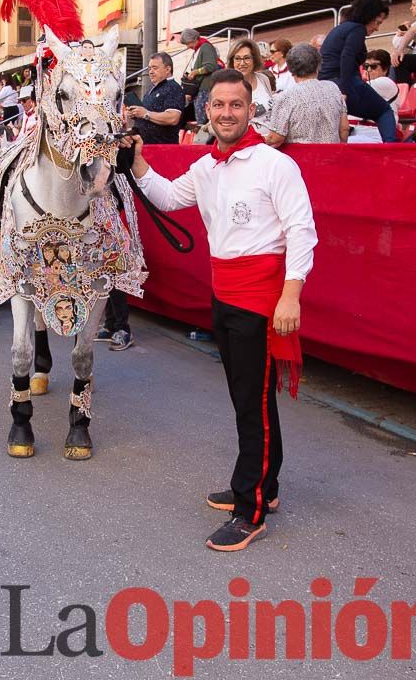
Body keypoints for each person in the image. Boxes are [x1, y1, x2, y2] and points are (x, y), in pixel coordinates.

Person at [130, 68, 317, 552]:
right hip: (224, 294)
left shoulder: (275, 165)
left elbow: (302, 231)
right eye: (218, 105)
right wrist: (138, 164)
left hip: (261, 300)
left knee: (252, 405)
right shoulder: (206, 167)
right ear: (206, 110)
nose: (227, 113)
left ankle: (249, 507)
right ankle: (264, 487)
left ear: (251, 110)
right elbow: (169, 199)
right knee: (248, 399)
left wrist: (291, 295)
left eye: (236, 105)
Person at [320, 0, 396, 142]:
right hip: (344, 83)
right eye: (378, 22)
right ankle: (390, 149)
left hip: (326, 85)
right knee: (384, 111)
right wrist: (344, 90)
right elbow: (347, 57)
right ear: (369, 16)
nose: (377, 28)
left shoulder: (339, 29)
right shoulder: (357, 30)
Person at [266, 44, 348, 146]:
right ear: (318, 65)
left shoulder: (286, 97)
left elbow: (275, 139)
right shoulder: (333, 88)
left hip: (301, 159)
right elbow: (344, 129)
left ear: (291, 69)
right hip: (332, 155)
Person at [126, 52, 184, 145]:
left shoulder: (173, 88)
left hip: (162, 149)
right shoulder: (151, 89)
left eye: (155, 68)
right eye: (149, 68)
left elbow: (173, 118)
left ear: (167, 69)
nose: (151, 72)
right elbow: (147, 115)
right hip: (145, 146)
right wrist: (136, 114)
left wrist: (145, 114)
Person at [226, 39, 275, 135]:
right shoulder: (228, 85)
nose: (242, 63)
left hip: (268, 143)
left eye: (247, 58)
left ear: (254, 60)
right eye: (237, 59)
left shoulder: (263, 79)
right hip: (242, 144)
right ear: (232, 61)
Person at [180, 28, 221, 124]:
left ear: (193, 39)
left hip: (205, 89)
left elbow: (211, 66)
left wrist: (195, 72)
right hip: (201, 89)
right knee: (200, 118)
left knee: (202, 119)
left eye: (188, 43)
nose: (188, 46)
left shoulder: (205, 47)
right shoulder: (200, 48)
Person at [364, 49, 401, 120]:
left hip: (378, 128)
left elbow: (352, 89)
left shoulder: (385, 82)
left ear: (385, 69)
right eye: (366, 66)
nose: (368, 70)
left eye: (373, 66)